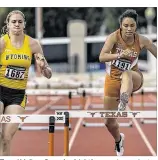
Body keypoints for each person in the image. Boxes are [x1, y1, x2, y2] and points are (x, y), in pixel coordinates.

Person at [99, 9, 157, 156]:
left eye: (132, 25)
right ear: (121, 26)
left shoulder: (142, 40)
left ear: (136, 26)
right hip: (112, 81)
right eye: (126, 25)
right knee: (108, 123)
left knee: (126, 74)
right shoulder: (113, 38)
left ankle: (123, 101)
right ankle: (119, 140)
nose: (129, 29)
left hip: (133, 78)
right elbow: (102, 57)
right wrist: (119, 55)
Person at [0, 10, 52, 156]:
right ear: (8, 25)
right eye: (14, 22)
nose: (17, 24)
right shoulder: (2, 43)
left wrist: (44, 68)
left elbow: (48, 74)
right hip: (0, 89)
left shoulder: (33, 44)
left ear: (24, 25)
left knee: (6, 138)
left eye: (20, 22)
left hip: (18, 96)